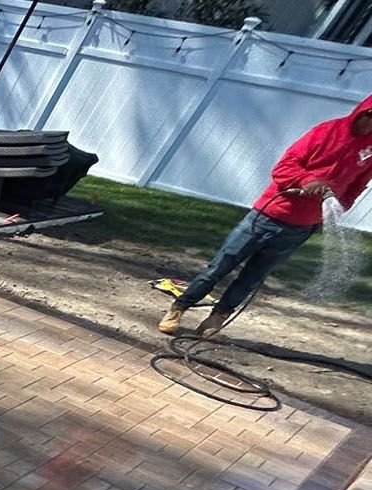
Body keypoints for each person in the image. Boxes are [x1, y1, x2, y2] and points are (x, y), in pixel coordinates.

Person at [158, 96, 372, 338]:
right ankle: (180, 307)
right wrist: (306, 180)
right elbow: (284, 166)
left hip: (301, 228)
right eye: (370, 115)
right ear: (362, 111)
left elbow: (358, 184)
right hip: (267, 215)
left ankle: (217, 317)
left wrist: (339, 206)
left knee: (252, 277)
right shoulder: (326, 132)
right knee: (219, 267)